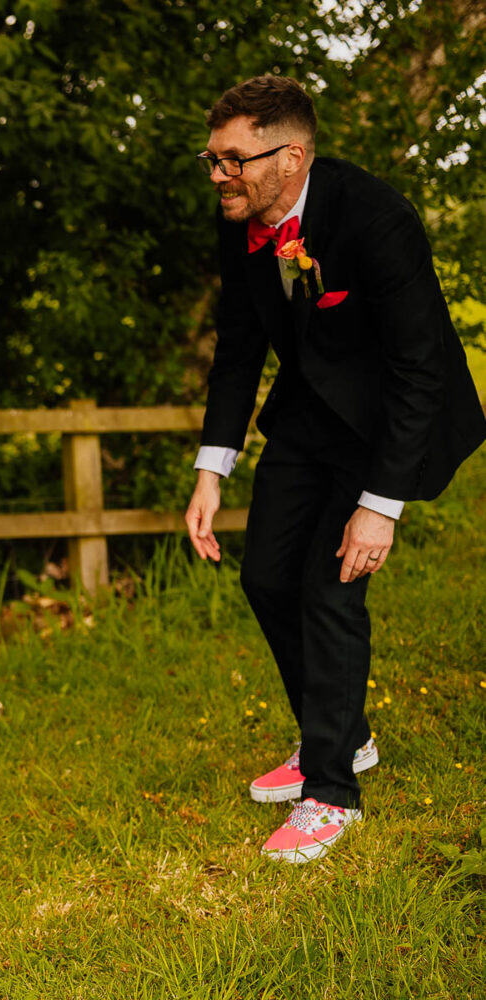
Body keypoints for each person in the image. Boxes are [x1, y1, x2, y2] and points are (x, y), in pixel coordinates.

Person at [184, 75, 485, 864]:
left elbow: (421, 369)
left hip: (388, 420)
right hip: (310, 413)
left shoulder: (377, 218)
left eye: (232, 161)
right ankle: (344, 737)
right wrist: (212, 470)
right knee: (265, 578)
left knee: (329, 585)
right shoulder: (243, 221)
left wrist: (381, 504)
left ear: (292, 155)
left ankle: (330, 794)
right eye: (211, 161)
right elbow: (240, 349)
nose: (218, 177)